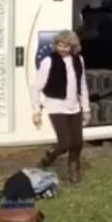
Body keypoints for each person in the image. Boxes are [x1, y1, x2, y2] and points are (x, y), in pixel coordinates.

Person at [31, 30, 91, 185]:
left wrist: (86, 109)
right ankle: (49, 156)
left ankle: (73, 171)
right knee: (64, 144)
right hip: (56, 106)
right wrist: (36, 111)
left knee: (77, 142)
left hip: (74, 107)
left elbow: (82, 85)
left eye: (66, 46)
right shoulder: (48, 62)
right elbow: (36, 88)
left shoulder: (79, 60)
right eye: (60, 45)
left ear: (73, 46)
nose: (63, 49)